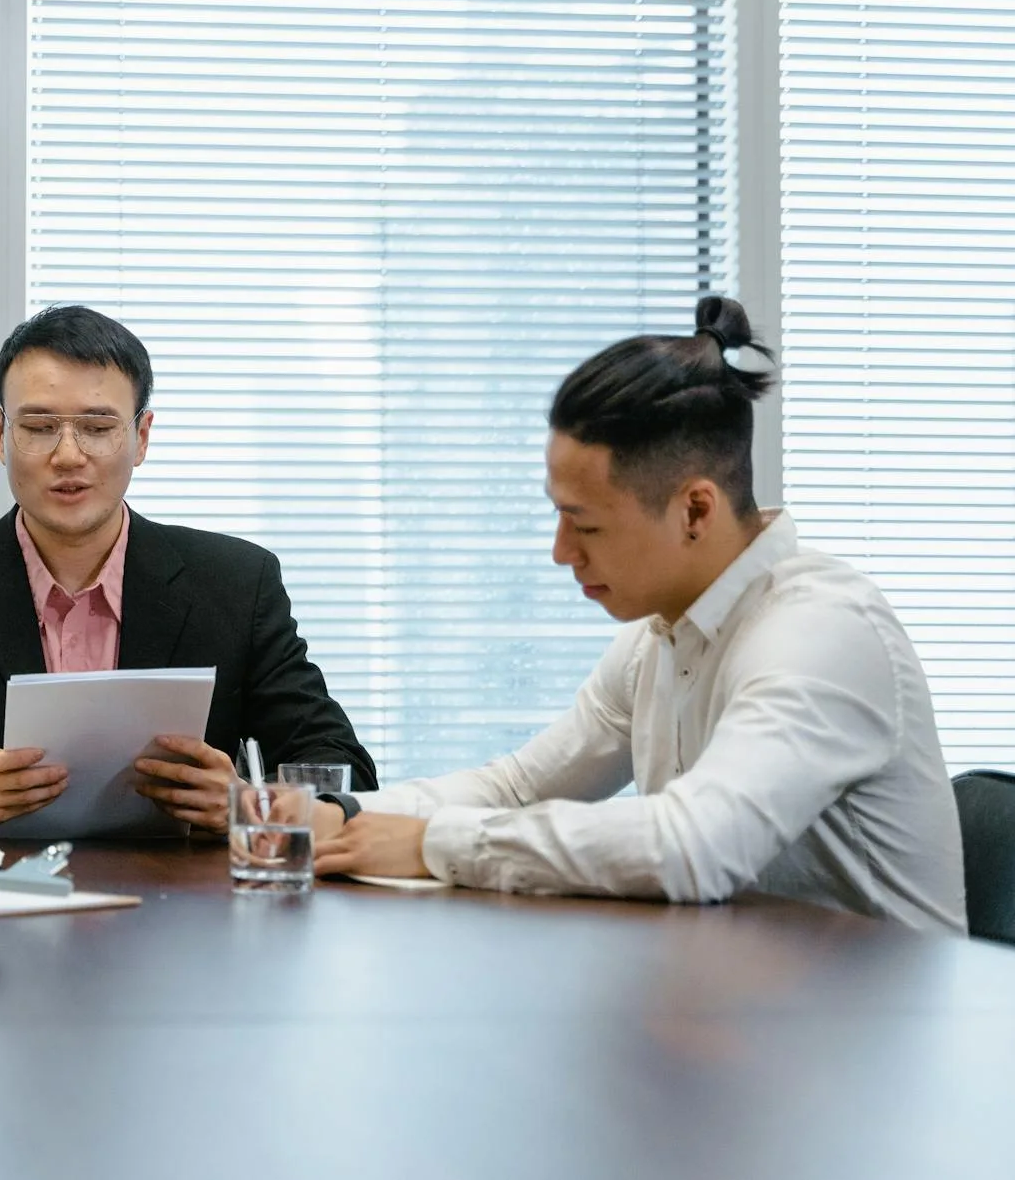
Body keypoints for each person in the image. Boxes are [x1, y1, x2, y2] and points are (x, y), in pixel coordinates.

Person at [312, 295, 966, 932]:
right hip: (738, 1008)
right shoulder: (658, 634)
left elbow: (694, 845)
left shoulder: (821, 632)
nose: (560, 552)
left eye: (585, 524)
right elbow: (520, 787)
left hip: (878, 1030)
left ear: (696, 510)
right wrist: (337, 814)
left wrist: (435, 842)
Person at [0, 304, 376, 830]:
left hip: (187, 906)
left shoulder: (236, 583)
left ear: (141, 437)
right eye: (39, 427)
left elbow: (340, 765)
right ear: (0, 434)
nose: (68, 455)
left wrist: (247, 803)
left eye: (97, 427)